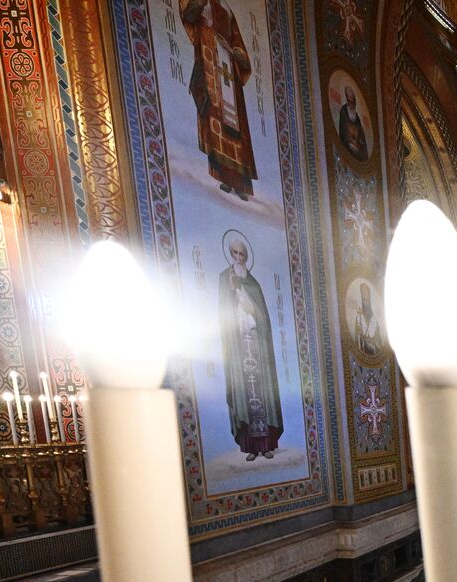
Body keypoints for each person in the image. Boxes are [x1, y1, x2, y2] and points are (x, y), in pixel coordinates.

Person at [180, 0, 257, 199]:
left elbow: (238, 43)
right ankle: (223, 176)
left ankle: (240, 183)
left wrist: (235, 53)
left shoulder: (228, 9)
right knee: (216, 117)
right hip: (209, 59)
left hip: (228, 66)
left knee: (236, 125)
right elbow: (188, 16)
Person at [218, 236, 283, 460]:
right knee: (244, 394)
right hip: (239, 347)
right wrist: (232, 294)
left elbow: (262, 317)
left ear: (246, 256)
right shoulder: (224, 280)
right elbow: (223, 316)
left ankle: (266, 446)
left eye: (241, 254)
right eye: (234, 253)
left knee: (262, 394)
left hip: (256, 345)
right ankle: (251, 448)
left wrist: (249, 307)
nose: (238, 257)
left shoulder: (253, 283)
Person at [337, 86, 368, 161]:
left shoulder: (357, 117)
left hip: (356, 145)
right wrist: (349, 142)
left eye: (353, 101)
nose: (352, 104)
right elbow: (343, 131)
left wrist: (360, 142)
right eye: (350, 101)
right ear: (347, 100)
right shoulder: (343, 111)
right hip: (348, 143)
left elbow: (361, 135)